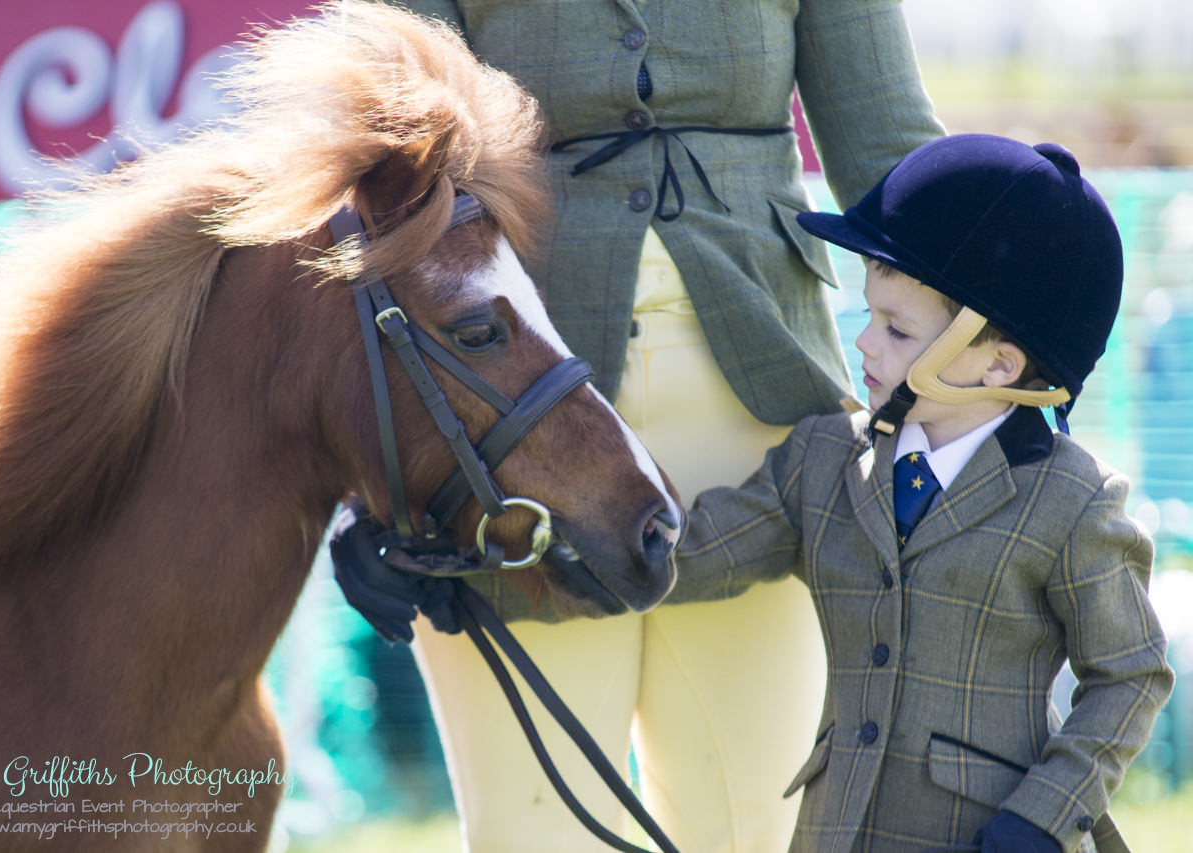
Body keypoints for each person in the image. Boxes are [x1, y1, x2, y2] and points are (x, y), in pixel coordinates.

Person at [340, 2, 942, 851]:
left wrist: (1004, 350)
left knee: (750, 833)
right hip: (501, 437)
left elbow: (893, 158)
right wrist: (359, 485)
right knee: (534, 837)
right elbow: (377, 182)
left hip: (761, 417)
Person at [674, 133, 1175, 852]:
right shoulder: (823, 459)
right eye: (869, 316)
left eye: (895, 328)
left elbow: (1131, 673)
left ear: (997, 362)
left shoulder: (1072, 501)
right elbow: (687, 552)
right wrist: (528, 543)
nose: (864, 346)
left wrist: (1041, 815)